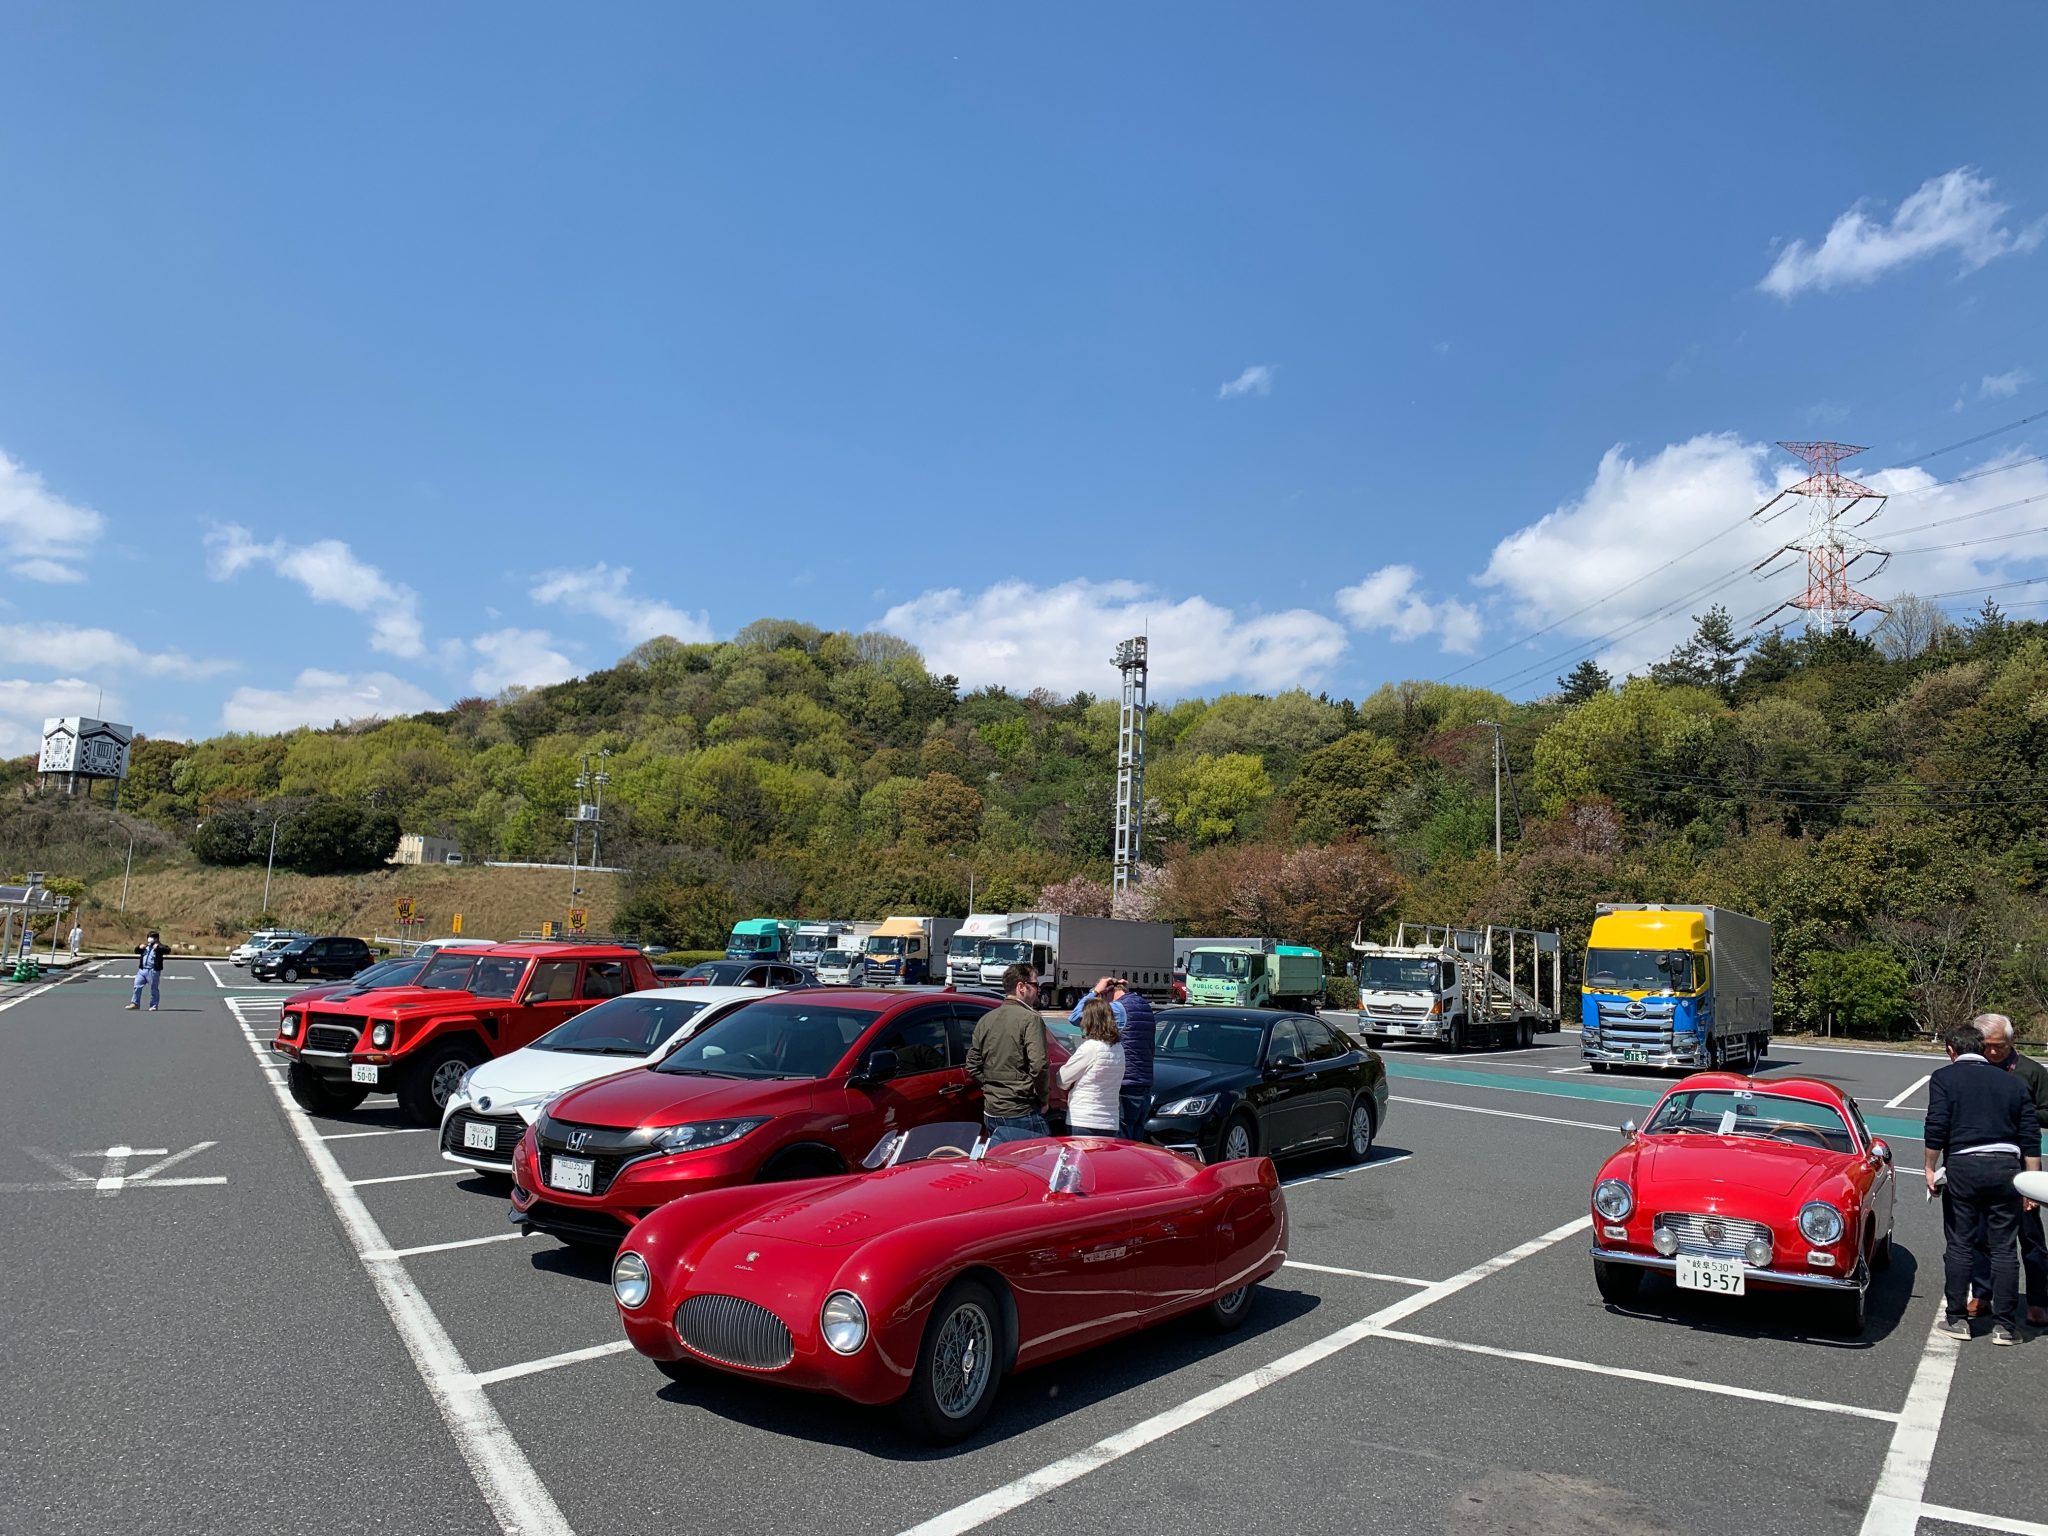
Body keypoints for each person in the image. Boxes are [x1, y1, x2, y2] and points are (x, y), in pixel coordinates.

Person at [1924, 1019, 2041, 1344]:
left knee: (1961, 1242)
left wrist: (1930, 1167)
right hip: (2007, 1168)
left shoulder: (1944, 1077)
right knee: (2004, 1247)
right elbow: (2030, 1137)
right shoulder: (2013, 1083)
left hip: (1964, 1165)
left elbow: (1936, 1124)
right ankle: (2005, 1326)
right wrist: (2031, 1182)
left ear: (1951, 1050)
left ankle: (1957, 1319)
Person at [1975, 1014, 2048, 1328]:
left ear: (2011, 1042)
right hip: (1982, 1161)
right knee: (1980, 1234)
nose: (1993, 1052)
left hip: (2022, 1162)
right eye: (1988, 1046)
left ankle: (2038, 1301)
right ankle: (1981, 1293)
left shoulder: (2031, 1071)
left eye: (1999, 1046)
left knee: (2030, 1237)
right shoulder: (1976, 1069)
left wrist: (2017, 1108)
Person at [966, 963, 1049, 1144]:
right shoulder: (1030, 1019)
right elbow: (1039, 1065)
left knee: (1000, 1159)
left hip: (992, 1110)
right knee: (1037, 1158)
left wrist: (991, 1087)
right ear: (1021, 987)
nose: (1038, 990)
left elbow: (972, 1064)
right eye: (1036, 984)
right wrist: (1043, 1098)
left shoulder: (986, 1019)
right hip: (1021, 1110)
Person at [1067, 976, 1157, 1140]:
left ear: (1107, 992)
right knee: (1136, 1143)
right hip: (1144, 1084)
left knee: (1121, 1144)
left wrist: (1095, 991)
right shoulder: (1144, 1007)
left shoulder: (1118, 1009)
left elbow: (1075, 1017)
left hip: (1125, 1085)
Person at [1059, 998, 1126, 1138]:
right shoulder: (1118, 1048)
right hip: (1110, 1120)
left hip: (1084, 1118)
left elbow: (1062, 1079)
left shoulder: (1090, 1047)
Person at [128, 930, 167, 1011]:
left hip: (152, 971)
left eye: (152, 937)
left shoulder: (159, 947)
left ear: (156, 939)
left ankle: (154, 1005)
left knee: (153, 989)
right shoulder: (145, 947)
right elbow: (136, 951)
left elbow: (167, 949)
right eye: (149, 937)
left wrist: (158, 947)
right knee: (137, 986)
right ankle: (135, 1003)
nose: (150, 939)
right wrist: (139, 947)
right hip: (142, 970)